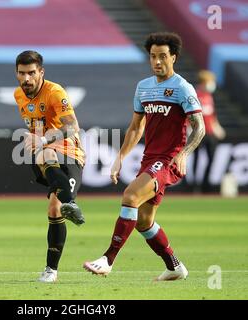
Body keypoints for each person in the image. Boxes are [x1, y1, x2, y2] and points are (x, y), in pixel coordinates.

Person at [84, 32, 205, 281]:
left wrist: (184, 153)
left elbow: (199, 126)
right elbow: (136, 127)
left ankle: (108, 259)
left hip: (169, 160)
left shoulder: (182, 88)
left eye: (163, 56)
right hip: (150, 159)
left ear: (174, 57)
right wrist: (120, 157)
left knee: (130, 195)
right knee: (143, 222)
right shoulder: (144, 87)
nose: (157, 61)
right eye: (153, 56)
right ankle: (175, 267)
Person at [14, 50, 85, 282]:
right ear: (17, 73)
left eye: (32, 73)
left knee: (55, 208)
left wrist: (43, 139)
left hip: (70, 154)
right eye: (22, 73)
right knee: (43, 157)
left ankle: (69, 203)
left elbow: (73, 126)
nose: (27, 79)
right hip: (46, 153)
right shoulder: (18, 95)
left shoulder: (54, 92)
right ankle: (51, 271)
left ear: (41, 72)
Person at [193, 70, 226, 193]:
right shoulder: (196, 95)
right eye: (210, 81)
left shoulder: (209, 96)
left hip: (210, 133)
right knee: (196, 159)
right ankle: (194, 186)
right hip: (198, 133)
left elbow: (212, 115)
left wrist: (217, 127)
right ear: (203, 82)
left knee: (211, 158)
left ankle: (205, 184)